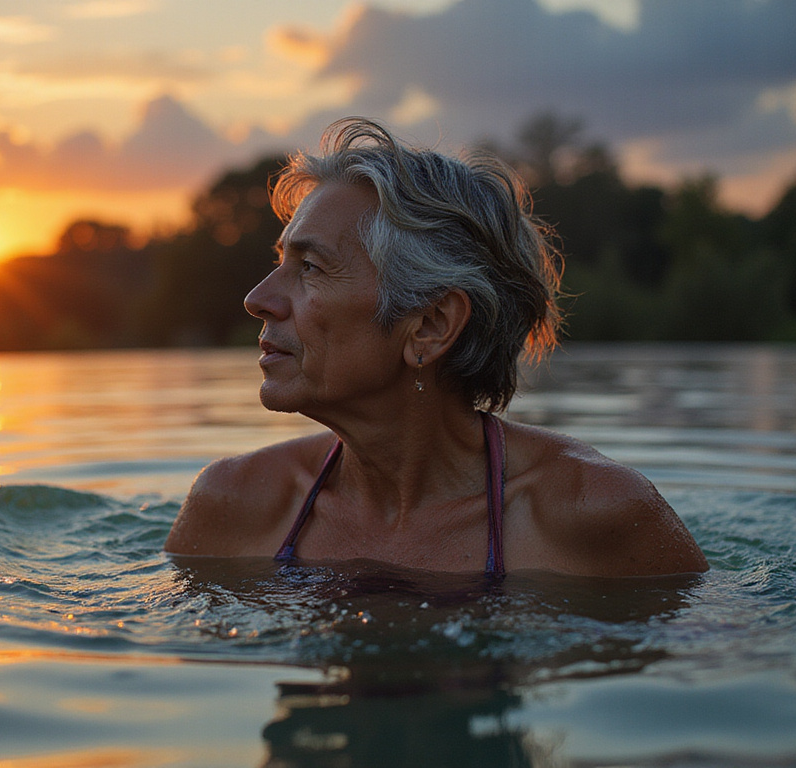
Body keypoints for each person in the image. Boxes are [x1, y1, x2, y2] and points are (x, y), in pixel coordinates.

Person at [165, 117, 707, 578]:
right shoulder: (234, 505)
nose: (257, 299)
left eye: (309, 267)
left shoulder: (592, 515)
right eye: (279, 262)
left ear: (430, 325)